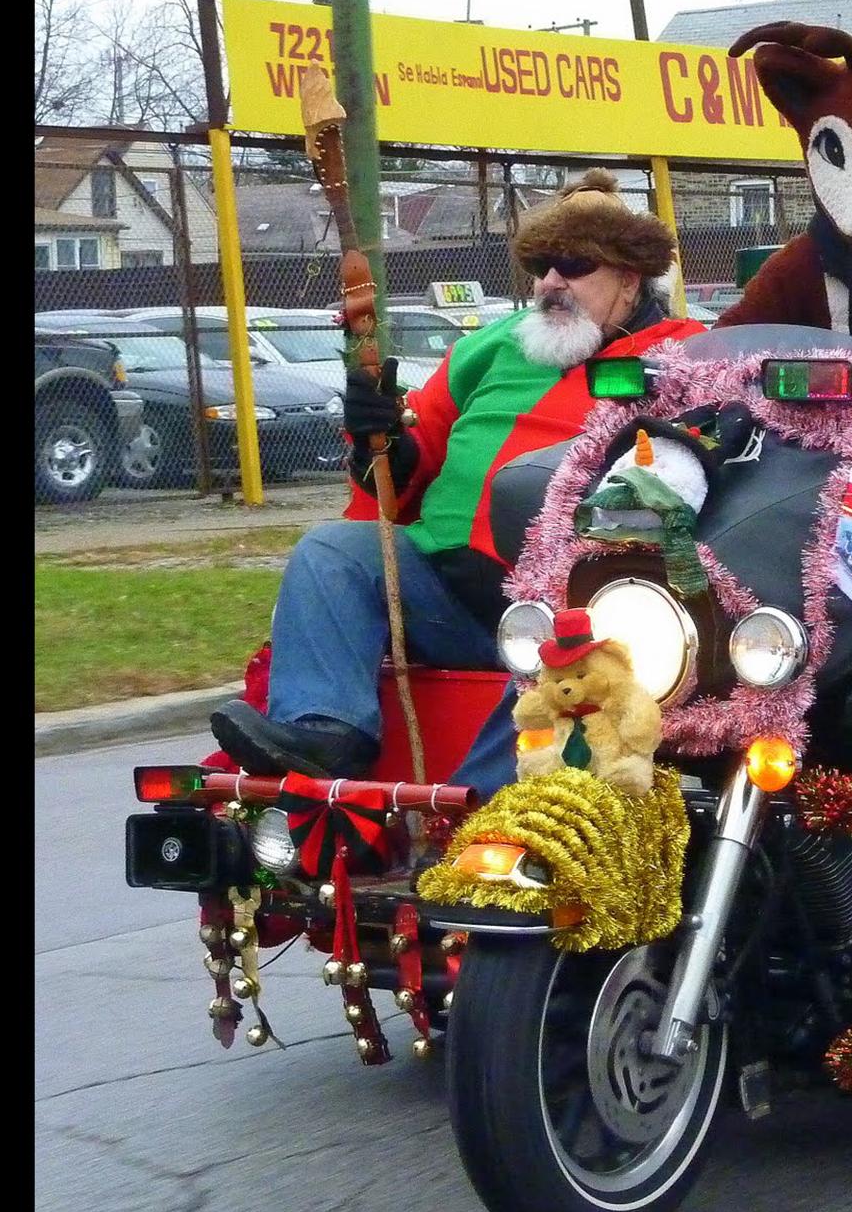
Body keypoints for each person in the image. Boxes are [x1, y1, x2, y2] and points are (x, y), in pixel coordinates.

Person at [210, 171, 704, 784]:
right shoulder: (494, 344)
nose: (551, 282)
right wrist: (381, 441)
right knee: (333, 551)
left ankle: (470, 826)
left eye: (575, 266)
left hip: (572, 604)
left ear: (629, 279)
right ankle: (326, 731)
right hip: (444, 592)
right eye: (542, 265)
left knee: (566, 657)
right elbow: (408, 465)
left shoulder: (685, 357)